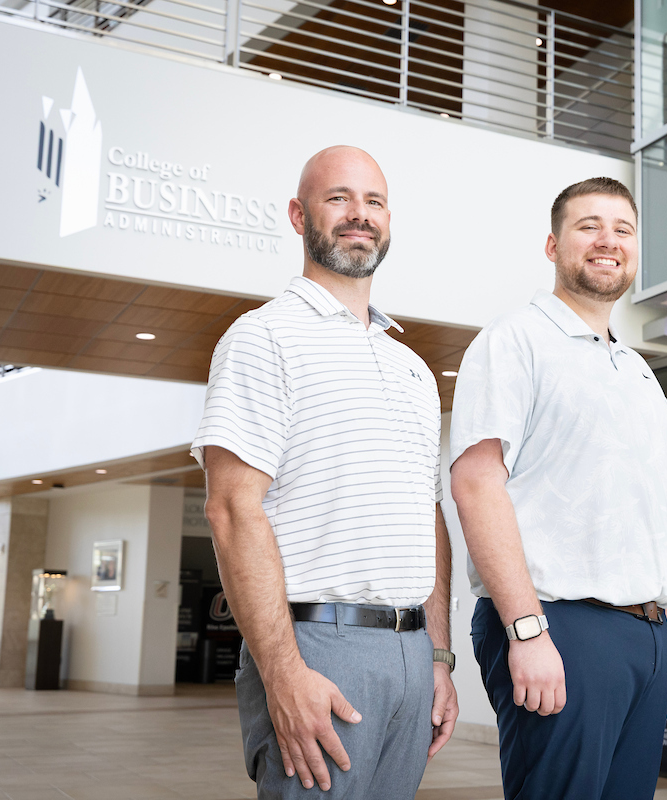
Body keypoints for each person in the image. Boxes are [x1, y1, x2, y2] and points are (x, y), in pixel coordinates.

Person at [193, 145, 458, 799]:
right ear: (298, 214)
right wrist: (282, 673)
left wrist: (440, 657)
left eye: (372, 202)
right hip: (317, 644)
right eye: (338, 197)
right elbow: (232, 510)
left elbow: (425, 516)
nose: (358, 215)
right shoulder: (263, 338)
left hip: (411, 652)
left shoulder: (414, 370)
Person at [448, 177, 667, 800]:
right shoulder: (514, 342)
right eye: (590, 226)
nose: (608, 241)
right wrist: (527, 630)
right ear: (553, 244)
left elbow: (648, 508)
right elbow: (476, 485)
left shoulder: (635, 369)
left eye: (624, 230)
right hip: (561, 628)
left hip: (647, 636)